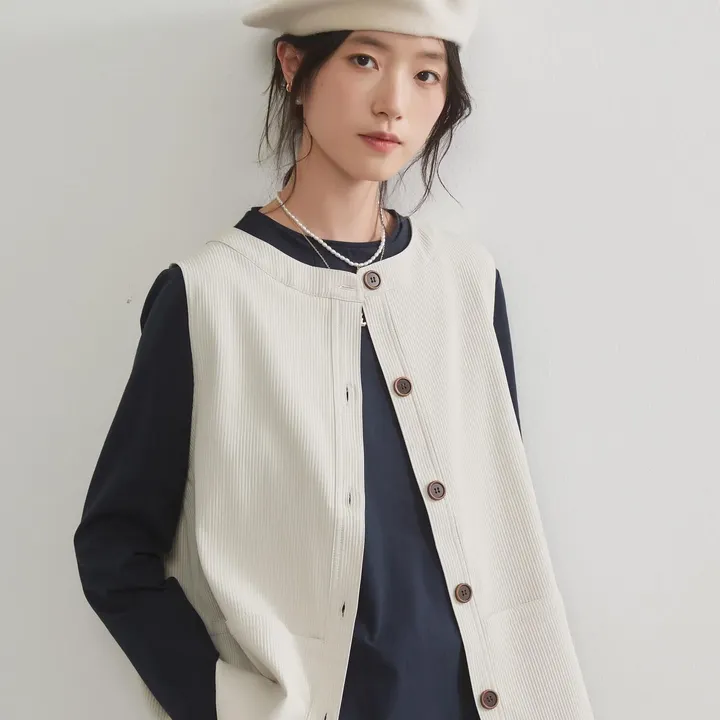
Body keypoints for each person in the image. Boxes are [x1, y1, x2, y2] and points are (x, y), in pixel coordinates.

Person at [73, 1, 594, 719]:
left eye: (427, 74)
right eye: (364, 59)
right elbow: (115, 549)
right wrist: (222, 701)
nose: (393, 103)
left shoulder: (466, 283)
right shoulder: (210, 296)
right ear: (294, 67)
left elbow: (492, 509)